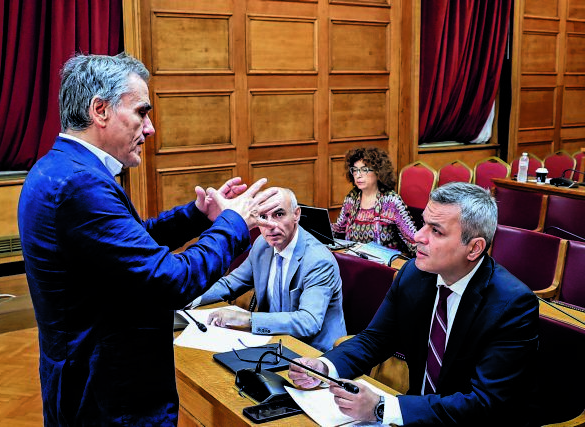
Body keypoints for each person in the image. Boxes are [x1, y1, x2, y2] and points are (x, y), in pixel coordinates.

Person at [17, 53, 280, 426]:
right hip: (109, 396)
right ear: (100, 110)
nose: (150, 127)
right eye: (141, 112)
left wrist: (197, 216)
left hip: (85, 382)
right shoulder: (81, 184)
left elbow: (130, 246)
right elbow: (170, 280)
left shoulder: (57, 167)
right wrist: (234, 223)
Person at [290, 182, 539, 426]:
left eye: (436, 231)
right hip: (417, 415)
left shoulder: (512, 305)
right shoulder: (414, 274)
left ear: (474, 248)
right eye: (423, 224)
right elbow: (375, 339)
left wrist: (381, 408)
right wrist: (324, 367)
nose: (418, 236)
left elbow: (485, 403)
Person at [192, 187, 347, 352]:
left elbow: (308, 322)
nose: (270, 225)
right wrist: (189, 297)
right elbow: (231, 284)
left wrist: (248, 319)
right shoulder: (262, 245)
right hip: (272, 342)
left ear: (296, 214)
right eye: (263, 217)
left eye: (279, 214)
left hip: (312, 353)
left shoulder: (318, 260)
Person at [332, 146, 417, 256]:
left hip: (385, 263)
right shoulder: (351, 198)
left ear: (378, 172)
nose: (358, 175)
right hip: (355, 259)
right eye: (355, 170)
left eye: (364, 170)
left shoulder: (391, 201)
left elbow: (413, 241)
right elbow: (338, 231)